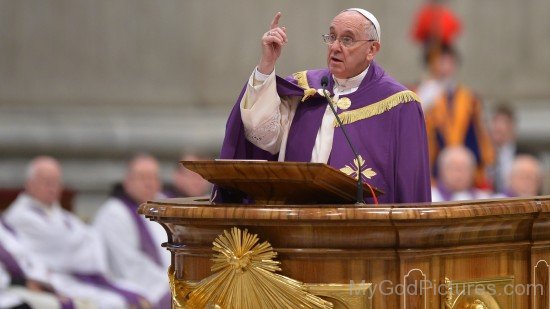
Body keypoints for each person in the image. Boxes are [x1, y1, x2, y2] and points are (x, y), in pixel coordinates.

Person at [215, 9, 431, 204]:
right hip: (295, 225)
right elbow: (262, 136)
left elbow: (410, 184)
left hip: (363, 234)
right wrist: (266, 65)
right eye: (332, 36)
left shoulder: (398, 103)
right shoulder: (304, 88)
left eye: (347, 39)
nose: (335, 47)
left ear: (372, 49)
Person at [3, 156, 150, 309]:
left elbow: (91, 240)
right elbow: (62, 247)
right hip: (58, 279)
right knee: (114, 303)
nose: (53, 188)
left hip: (79, 278)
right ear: (29, 184)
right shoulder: (20, 216)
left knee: (139, 294)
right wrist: (78, 241)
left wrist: (77, 241)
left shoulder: (62, 215)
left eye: (56, 182)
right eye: (47, 182)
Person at [94, 154, 171, 309]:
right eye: (142, 177)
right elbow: (128, 265)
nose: (149, 183)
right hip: (137, 285)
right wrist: (169, 285)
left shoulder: (166, 205)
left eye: (154, 177)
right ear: (127, 182)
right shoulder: (114, 213)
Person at [420, 44, 494, 188]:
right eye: (441, 62)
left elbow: (478, 133)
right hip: (434, 168)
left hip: (465, 164)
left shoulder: (469, 98)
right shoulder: (421, 93)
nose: (445, 68)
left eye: (449, 62)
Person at [489, 104, 518, 193]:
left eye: (504, 123)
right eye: (495, 122)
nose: (499, 128)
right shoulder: (480, 154)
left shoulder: (525, 155)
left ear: (512, 127)